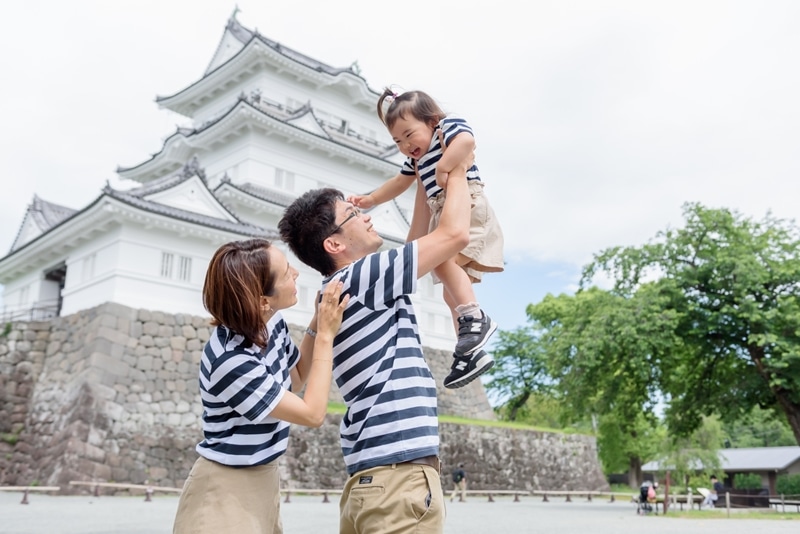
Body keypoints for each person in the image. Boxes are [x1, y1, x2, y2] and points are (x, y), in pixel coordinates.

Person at [278, 156, 474, 533]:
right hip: (399, 478)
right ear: (334, 242)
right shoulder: (364, 275)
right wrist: (458, 167)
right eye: (353, 214)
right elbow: (454, 235)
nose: (367, 216)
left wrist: (421, 178)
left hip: (370, 478)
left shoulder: (336, 289)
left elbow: (419, 244)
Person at [172, 238, 348, 534]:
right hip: (225, 489)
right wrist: (326, 337)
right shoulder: (230, 361)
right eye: (285, 272)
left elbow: (296, 375)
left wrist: (318, 320)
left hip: (265, 478)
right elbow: (313, 414)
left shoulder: (270, 325)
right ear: (263, 300)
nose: (296, 273)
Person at [346, 88, 504, 389]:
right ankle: (470, 350)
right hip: (441, 210)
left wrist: (445, 166)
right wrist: (370, 199)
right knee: (448, 290)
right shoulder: (417, 161)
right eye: (397, 141)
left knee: (440, 259)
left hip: (468, 204)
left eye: (409, 134)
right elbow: (398, 183)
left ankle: (475, 317)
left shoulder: (446, 128)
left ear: (431, 122)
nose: (406, 145)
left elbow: (468, 141)